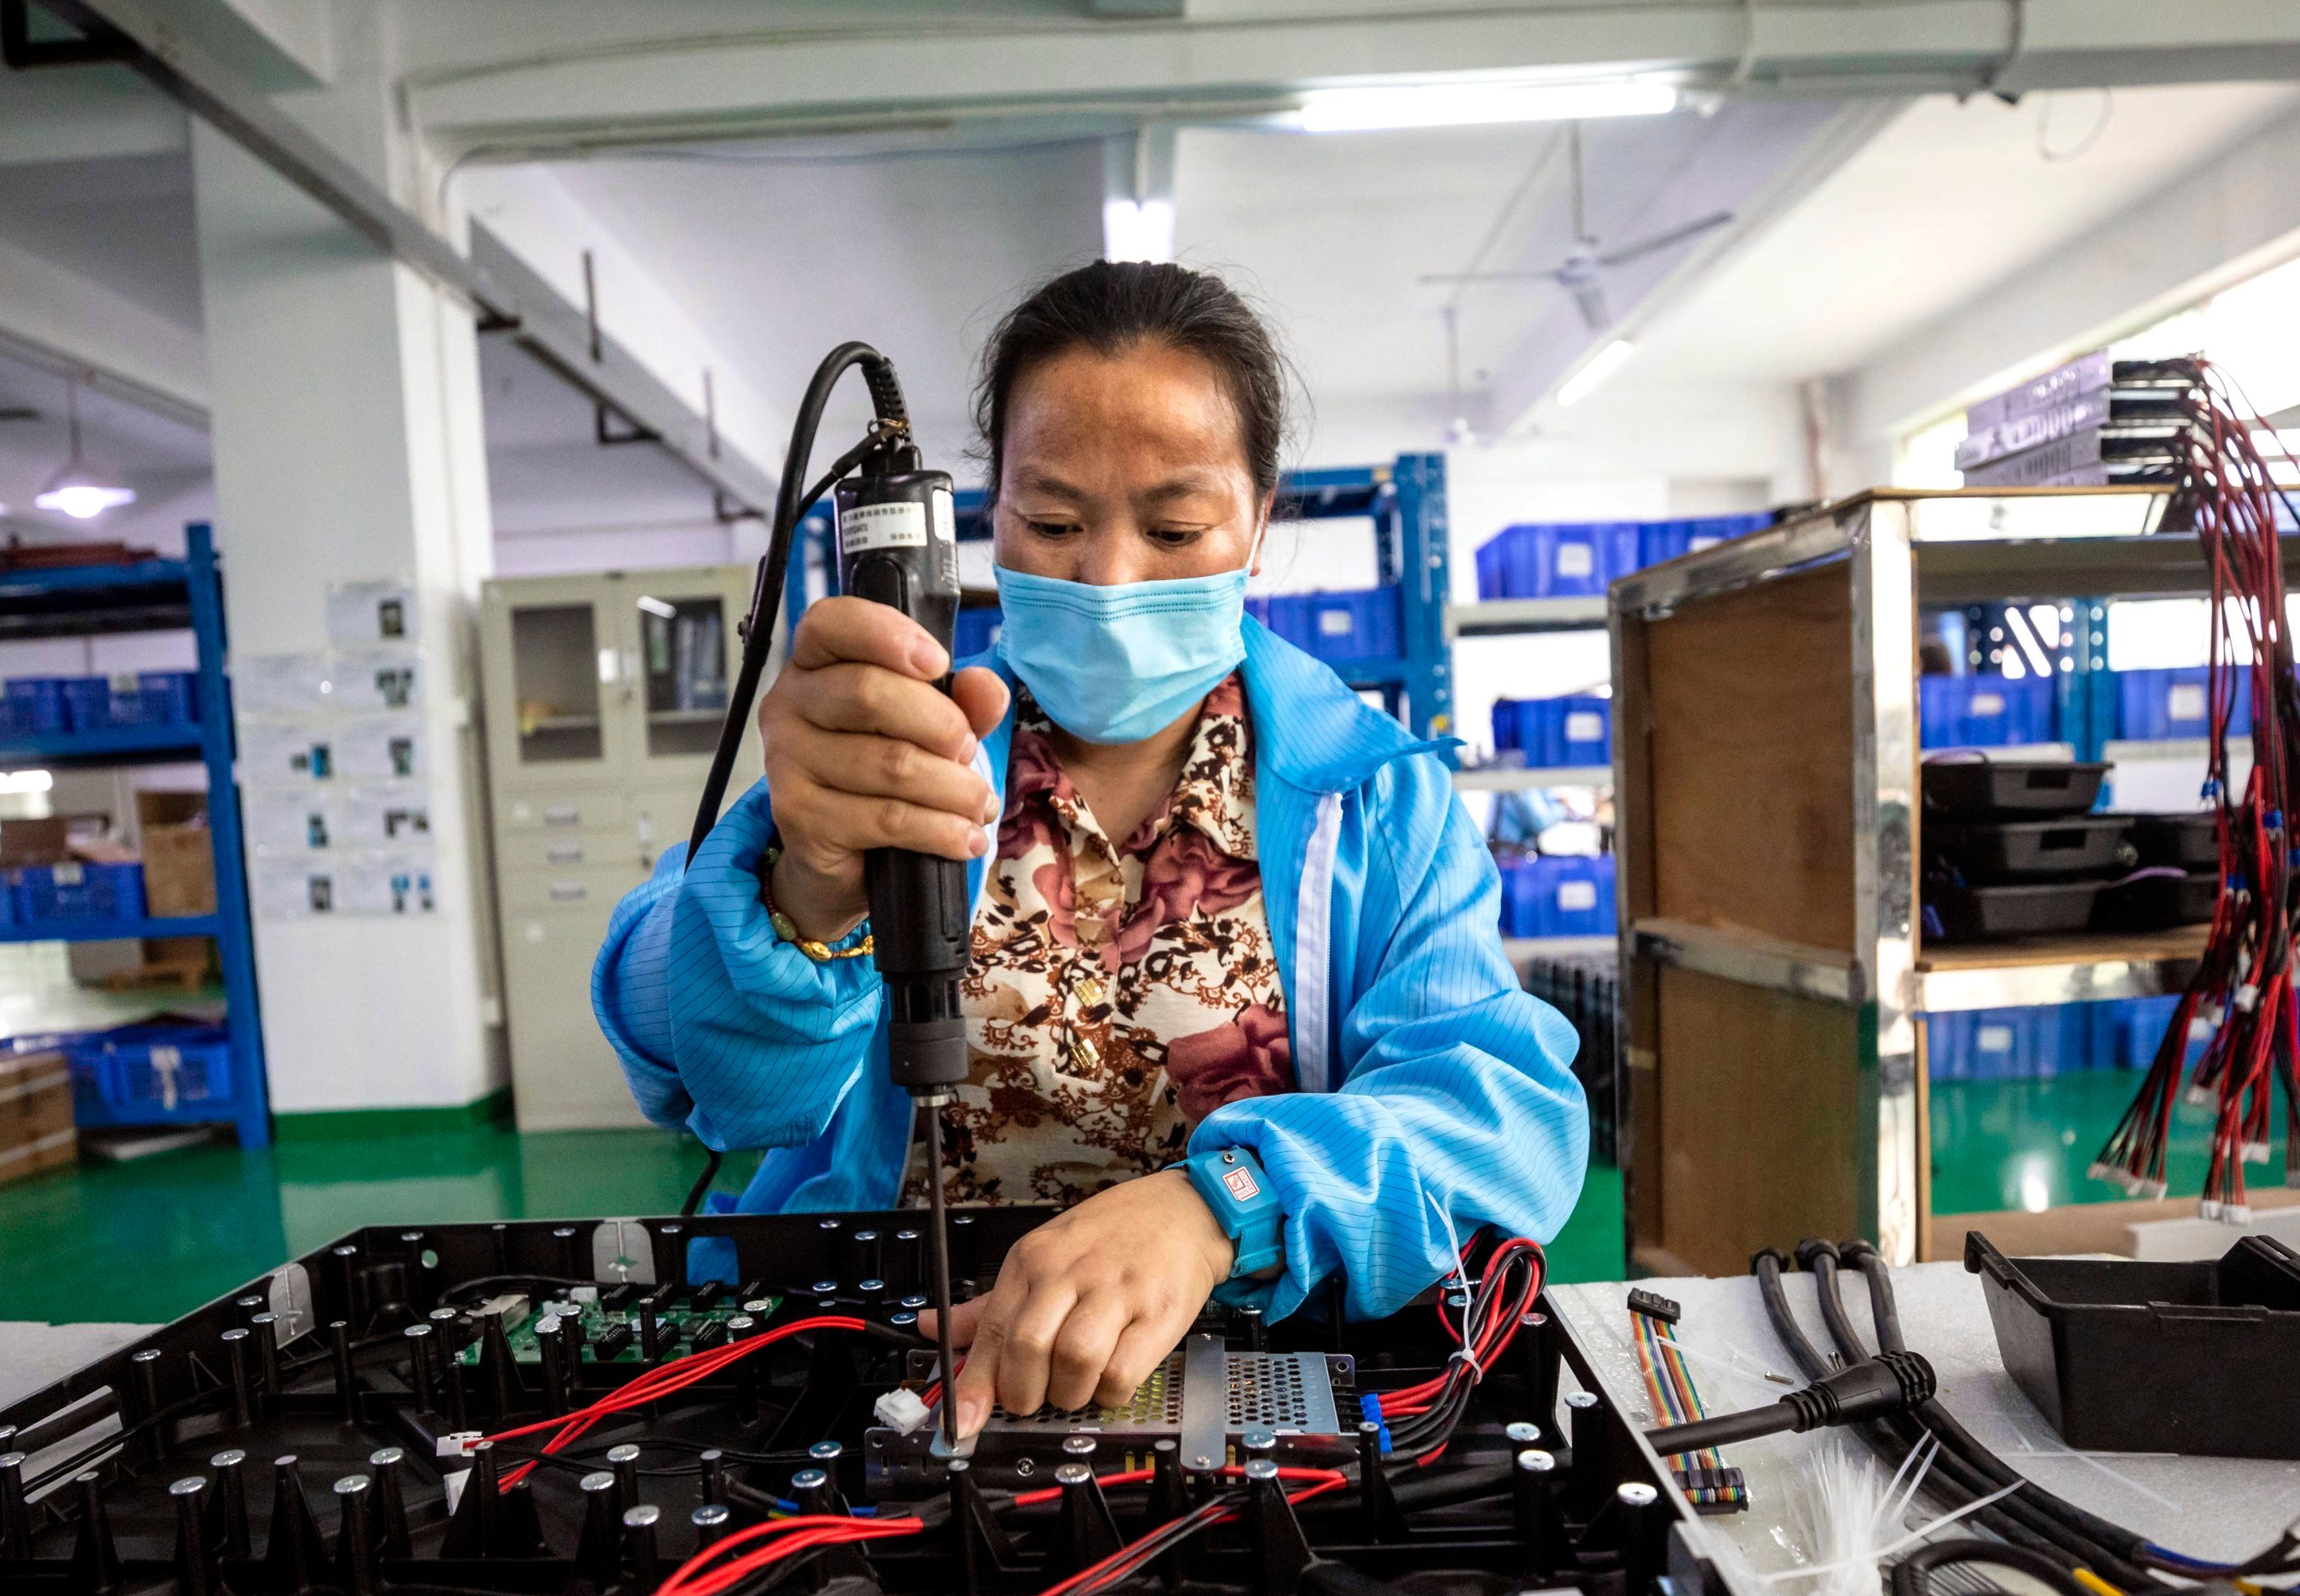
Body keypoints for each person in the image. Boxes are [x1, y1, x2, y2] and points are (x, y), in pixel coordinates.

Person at [594, 260, 1584, 1441]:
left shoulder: (1371, 799)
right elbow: (701, 1071)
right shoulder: (903, 746)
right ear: (989, 517)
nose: (1109, 578)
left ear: (1258, 522)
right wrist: (803, 882)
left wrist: (1226, 1208)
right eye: (1053, 522)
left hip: (1230, 1375)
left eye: (1173, 526)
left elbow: (1504, 1112)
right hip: (886, 1367)